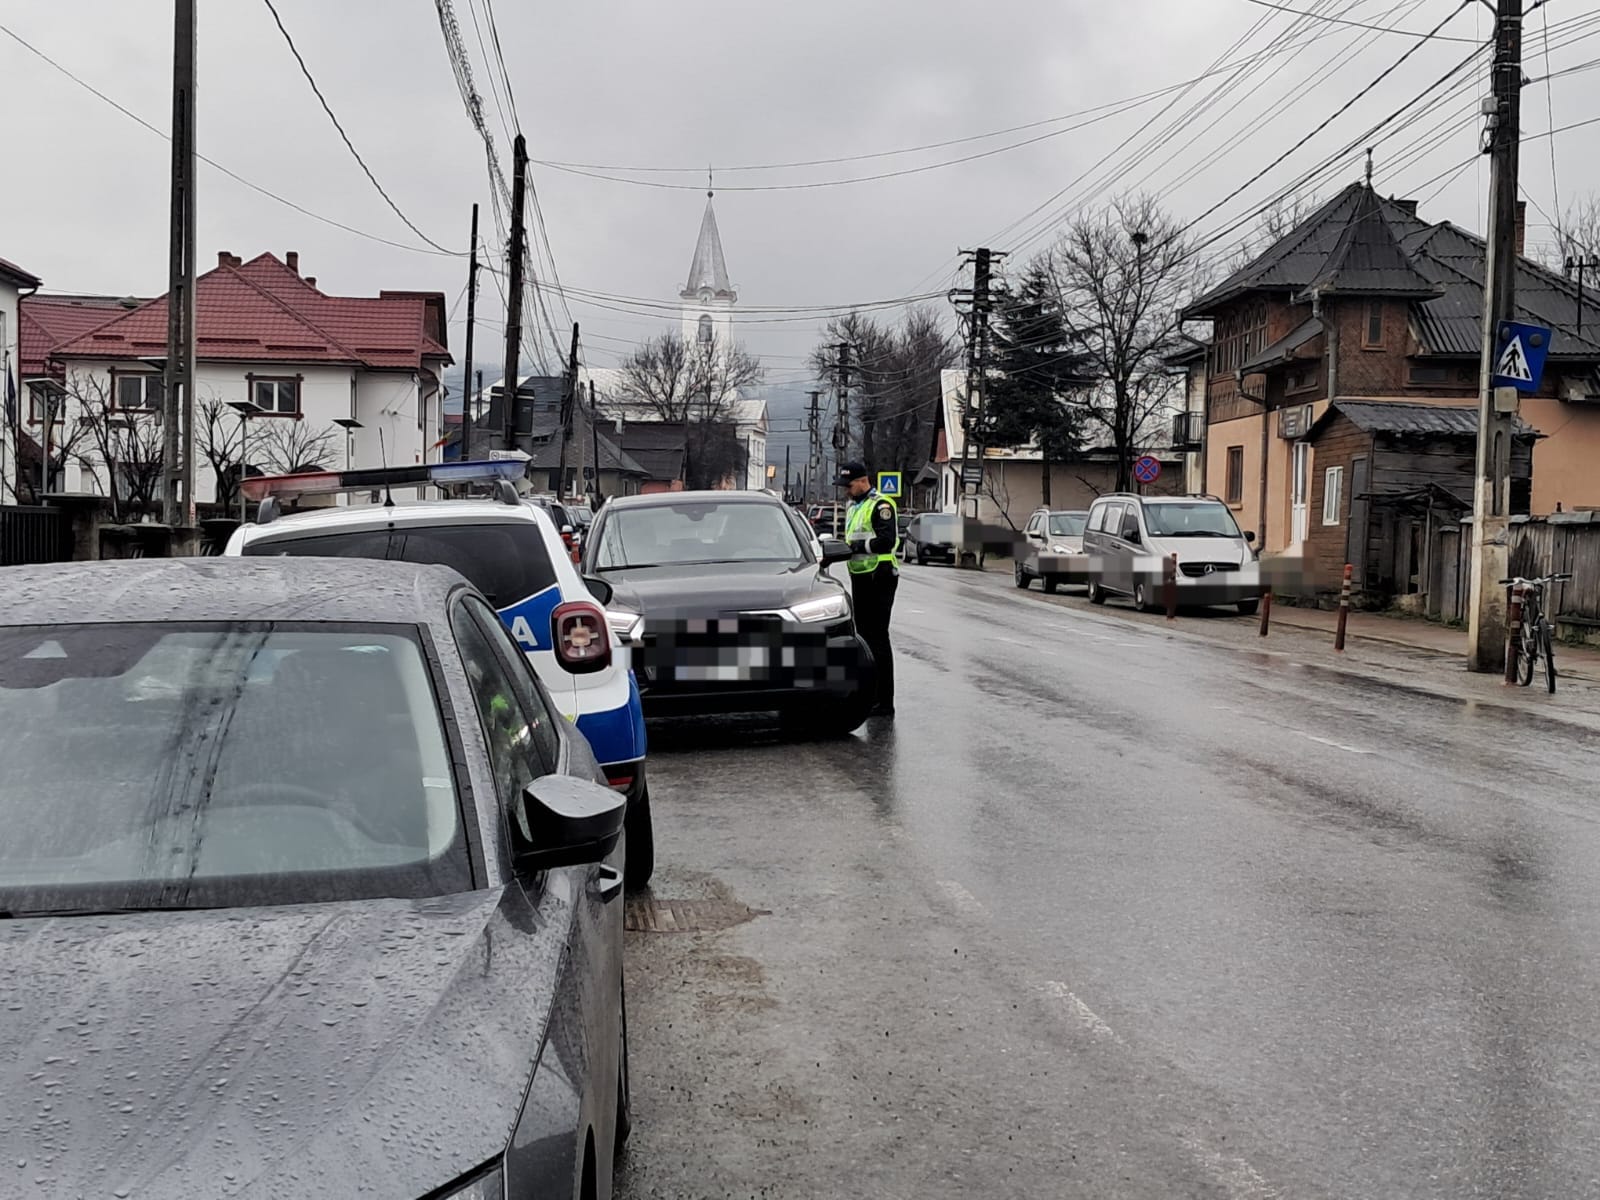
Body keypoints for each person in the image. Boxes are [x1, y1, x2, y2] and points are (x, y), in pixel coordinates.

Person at [837, 461, 899, 718]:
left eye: (849, 485)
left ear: (863, 481)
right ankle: (870, 695)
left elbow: (886, 541)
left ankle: (884, 701)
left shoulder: (881, 505)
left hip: (879, 575)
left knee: (878, 638)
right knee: (864, 637)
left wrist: (856, 548)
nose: (846, 490)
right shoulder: (854, 507)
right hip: (861, 576)